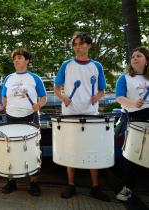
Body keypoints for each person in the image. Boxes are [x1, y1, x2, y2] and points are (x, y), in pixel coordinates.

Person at [54, 32, 110, 201]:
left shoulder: (97, 66)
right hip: (70, 112)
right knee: (71, 148)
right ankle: (71, 185)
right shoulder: (67, 65)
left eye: (81, 44)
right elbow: (57, 87)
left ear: (89, 45)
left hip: (91, 112)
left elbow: (102, 90)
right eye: (75, 44)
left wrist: (96, 98)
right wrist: (63, 97)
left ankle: (95, 187)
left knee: (92, 148)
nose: (78, 47)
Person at [0, 48, 47, 196]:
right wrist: (2, 105)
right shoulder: (8, 78)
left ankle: (34, 183)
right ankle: (11, 181)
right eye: (14, 58)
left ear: (27, 60)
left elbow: (43, 98)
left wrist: (38, 105)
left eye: (19, 58)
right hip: (11, 117)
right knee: (11, 149)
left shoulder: (34, 78)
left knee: (33, 150)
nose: (16, 60)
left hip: (30, 117)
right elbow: (3, 98)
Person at [115, 46, 149, 201]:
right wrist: (134, 103)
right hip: (134, 118)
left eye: (139, 56)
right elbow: (120, 98)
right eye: (133, 56)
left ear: (147, 60)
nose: (134, 58)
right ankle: (127, 188)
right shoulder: (125, 78)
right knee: (131, 157)